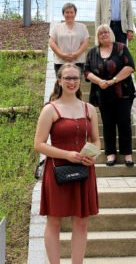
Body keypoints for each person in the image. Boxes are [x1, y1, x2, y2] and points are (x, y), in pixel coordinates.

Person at [34, 63, 100, 263]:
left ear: (80, 81)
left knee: (81, 223)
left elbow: (97, 140)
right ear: (59, 81)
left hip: (84, 169)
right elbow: (38, 144)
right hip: (57, 171)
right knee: (54, 222)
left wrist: (93, 155)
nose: (71, 82)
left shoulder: (89, 108)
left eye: (75, 78)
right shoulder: (50, 109)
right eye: (67, 78)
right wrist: (66, 155)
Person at [84, 24, 135, 167]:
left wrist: (113, 80)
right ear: (97, 37)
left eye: (106, 32)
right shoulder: (92, 53)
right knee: (108, 124)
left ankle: (127, 154)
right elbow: (86, 72)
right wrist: (100, 82)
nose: (104, 34)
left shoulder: (121, 48)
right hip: (103, 94)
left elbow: (130, 66)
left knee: (124, 122)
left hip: (123, 93)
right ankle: (110, 154)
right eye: (100, 33)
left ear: (111, 34)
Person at [49, 3, 89, 75]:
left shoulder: (82, 27)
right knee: (60, 84)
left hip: (78, 62)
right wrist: (61, 55)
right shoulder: (56, 27)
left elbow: (85, 42)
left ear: (75, 13)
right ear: (63, 14)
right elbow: (51, 42)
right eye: (67, 12)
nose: (69, 14)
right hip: (60, 62)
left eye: (71, 12)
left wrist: (76, 54)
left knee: (76, 84)